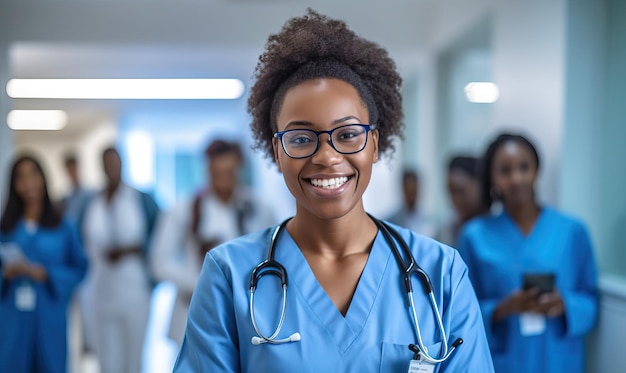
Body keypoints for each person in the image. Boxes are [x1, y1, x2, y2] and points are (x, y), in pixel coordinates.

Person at [173, 10, 493, 372]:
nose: (327, 156)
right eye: (300, 138)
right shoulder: (228, 275)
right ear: (276, 152)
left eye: (347, 134)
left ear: (374, 143)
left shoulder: (442, 272)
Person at [457, 133, 598, 372]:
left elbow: (591, 302)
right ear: (492, 178)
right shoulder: (474, 236)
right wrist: (503, 308)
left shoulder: (572, 231)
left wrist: (565, 304)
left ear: (537, 170)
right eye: (505, 170)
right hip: (502, 361)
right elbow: (460, 312)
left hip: (558, 360)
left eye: (524, 167)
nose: (516, 178)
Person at [150, 139, 277, 348]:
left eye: (230, 172)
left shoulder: (258, 208)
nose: (224, 179)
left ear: (239, 168)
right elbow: (159, 261)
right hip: (196, 311)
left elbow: (275, 255)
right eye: (218, 172)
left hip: (247, 315)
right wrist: (197, 284)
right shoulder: (186, 209)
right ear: (208, 169)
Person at [0, 155, 88, 373]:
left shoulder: (64, 225)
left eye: (33, 174)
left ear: (43, 178)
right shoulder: (5, 228)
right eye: (20, 177)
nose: (28, 182)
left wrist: (48, 273)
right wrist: (5, 274)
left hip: (50, 315)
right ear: (13, 185)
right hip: (12, 317)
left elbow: (80, 267)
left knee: (51, 364)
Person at [81, 147, 159, 373]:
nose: (111, 168)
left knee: (133, 360)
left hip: (134, 290)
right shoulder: (91, 202)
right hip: (101, 289)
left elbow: (158, 239)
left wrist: (131, 250)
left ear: (122, 164)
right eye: (106, 163)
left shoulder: (141, 200)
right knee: (106, 360)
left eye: (114, 162)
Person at [436, 156, 487, 246]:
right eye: (451, 192)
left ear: (479, 185)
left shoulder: (497, 224)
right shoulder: (446, 232)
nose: (455, 199)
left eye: (460, 191)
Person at [387, 169, 438, 237]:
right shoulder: (391, 222)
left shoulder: (429, 222)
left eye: (413, 190)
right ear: (403, 189)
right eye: (408, 190)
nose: (411, 195)